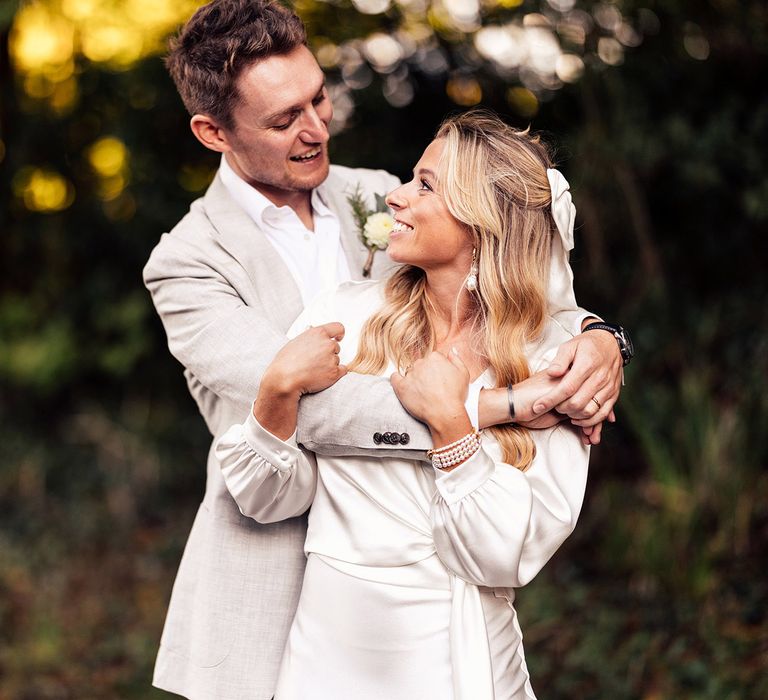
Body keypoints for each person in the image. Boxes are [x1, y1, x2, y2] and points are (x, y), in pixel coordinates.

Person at [142, 1, 628, 698]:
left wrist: (599, 339)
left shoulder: (378, 197)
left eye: (318, 98)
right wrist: (502, 404)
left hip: (428, 578)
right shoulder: (187, 265)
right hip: (275, 567)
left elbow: (512, 271)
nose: (316, 130)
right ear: (212, 131)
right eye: (284, 120)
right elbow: (312, 408)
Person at [216, 110, 593, 700]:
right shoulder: (345, 316)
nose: (394, 196)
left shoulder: (556, 361)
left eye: (425, 184)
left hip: (456, 659)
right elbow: (265, 498)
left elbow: (501, 560)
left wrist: (453, 426)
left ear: (481, 220)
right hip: (325, 656)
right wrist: (276, 392)